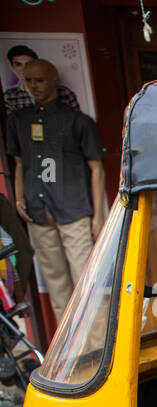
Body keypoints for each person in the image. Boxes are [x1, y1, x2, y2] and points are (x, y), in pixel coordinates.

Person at [4, 58, 105, 322]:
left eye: (40, 80)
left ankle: (98, 346)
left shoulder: (77, 121)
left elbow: (97, 167)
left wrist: (98, 216)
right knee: (56, 285)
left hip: (74, 210)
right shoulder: (18, 120)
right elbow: (18, 162)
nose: (34, 86)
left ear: (54, 81)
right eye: (29, 80)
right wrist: (18, 197)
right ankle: (69, 352)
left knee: (87, 282)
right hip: (38, 210)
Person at [4, 45, 81, 114]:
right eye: (18, 64)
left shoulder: (64, 92)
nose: (24, 69)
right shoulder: (9, 96)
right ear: (12, 67)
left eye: (29, 64)